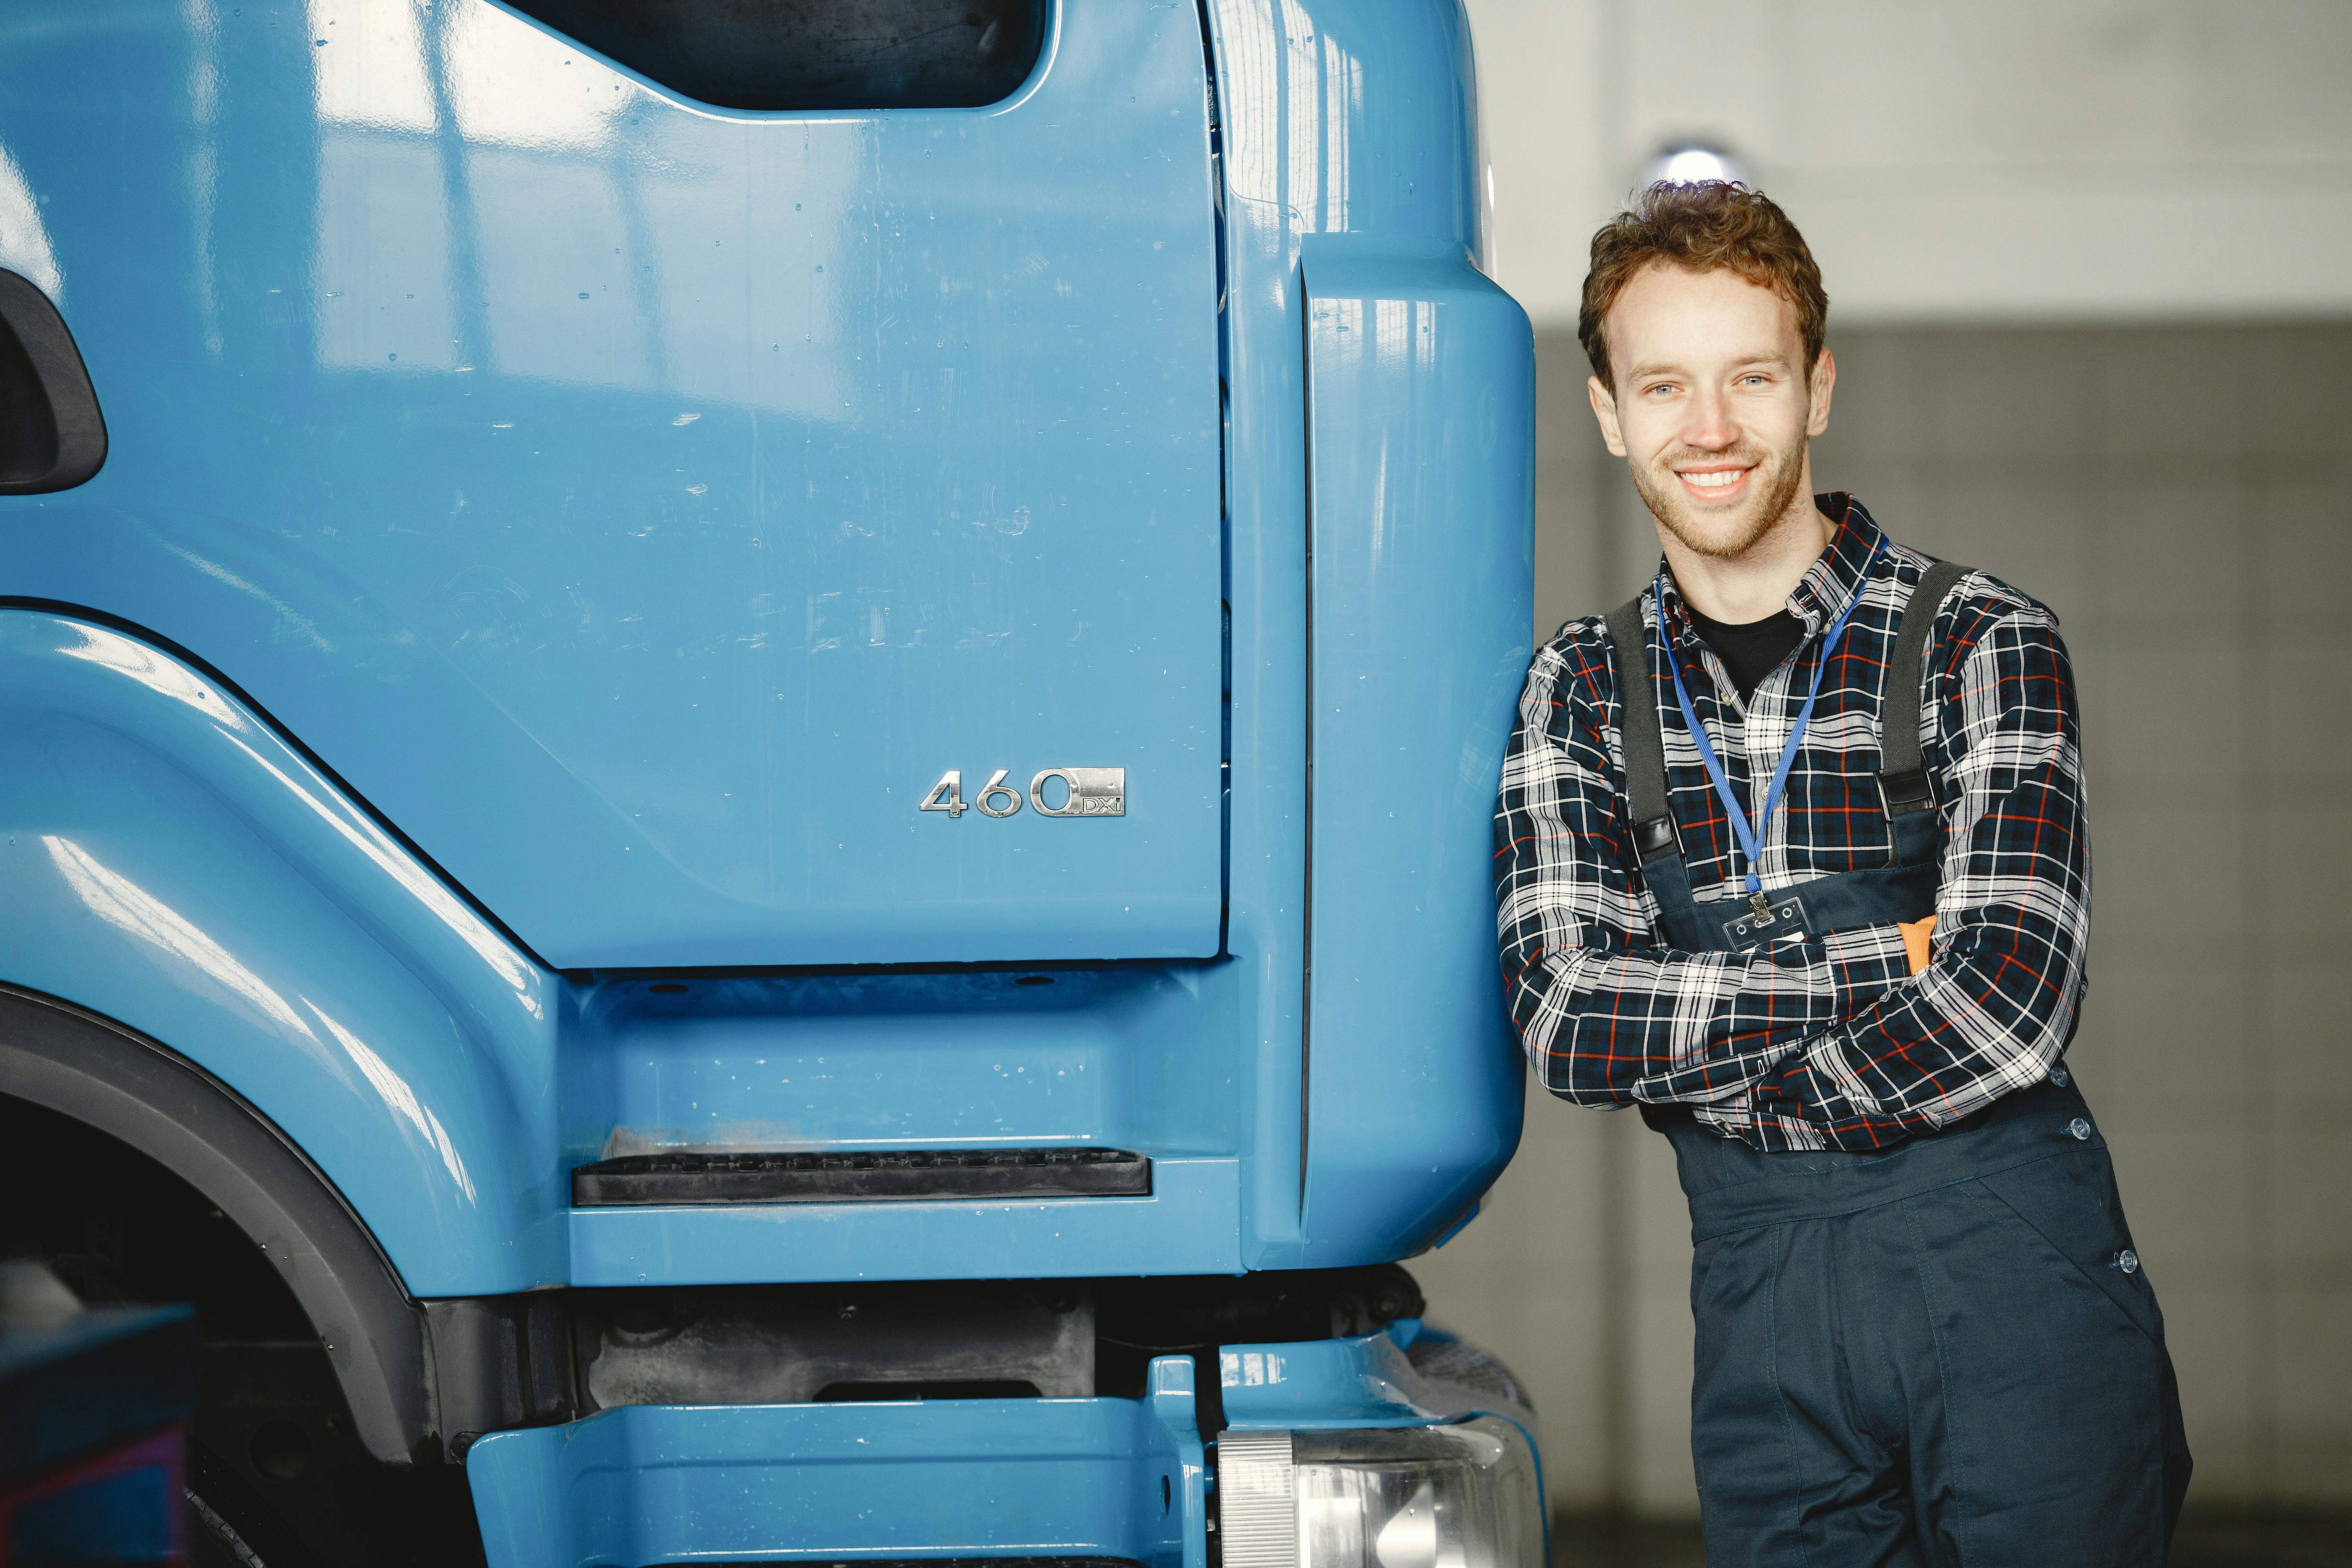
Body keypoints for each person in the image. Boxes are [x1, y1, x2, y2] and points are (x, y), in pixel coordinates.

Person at [1493, 180, 2191, 1566]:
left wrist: (1716, 1038)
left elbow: (2006, 999)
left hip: (2020, 1304)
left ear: (1816, 390)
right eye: (1664, 385)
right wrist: (1891, 962)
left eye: (1750, 377)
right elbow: (1568, 1019)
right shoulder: (1580, 687)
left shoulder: (1980, 642)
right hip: (1765, 1329)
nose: (1708, 429)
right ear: (1606, 410)